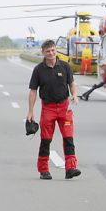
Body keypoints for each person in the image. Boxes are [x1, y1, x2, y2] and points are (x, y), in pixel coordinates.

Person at [27, 40, 82, 180]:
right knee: (46, 140)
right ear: (43, 53)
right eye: (48, 51)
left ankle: (71, 168)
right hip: (48, 108)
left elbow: (71, 83)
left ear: (56, 50)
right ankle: (43, 170)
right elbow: (33, 91)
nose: (51, 53)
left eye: (53, 50)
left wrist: (74, 95)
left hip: (64, 107)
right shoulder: (38, 70)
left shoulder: (65, 66)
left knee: (69, 138)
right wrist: (30, 111)